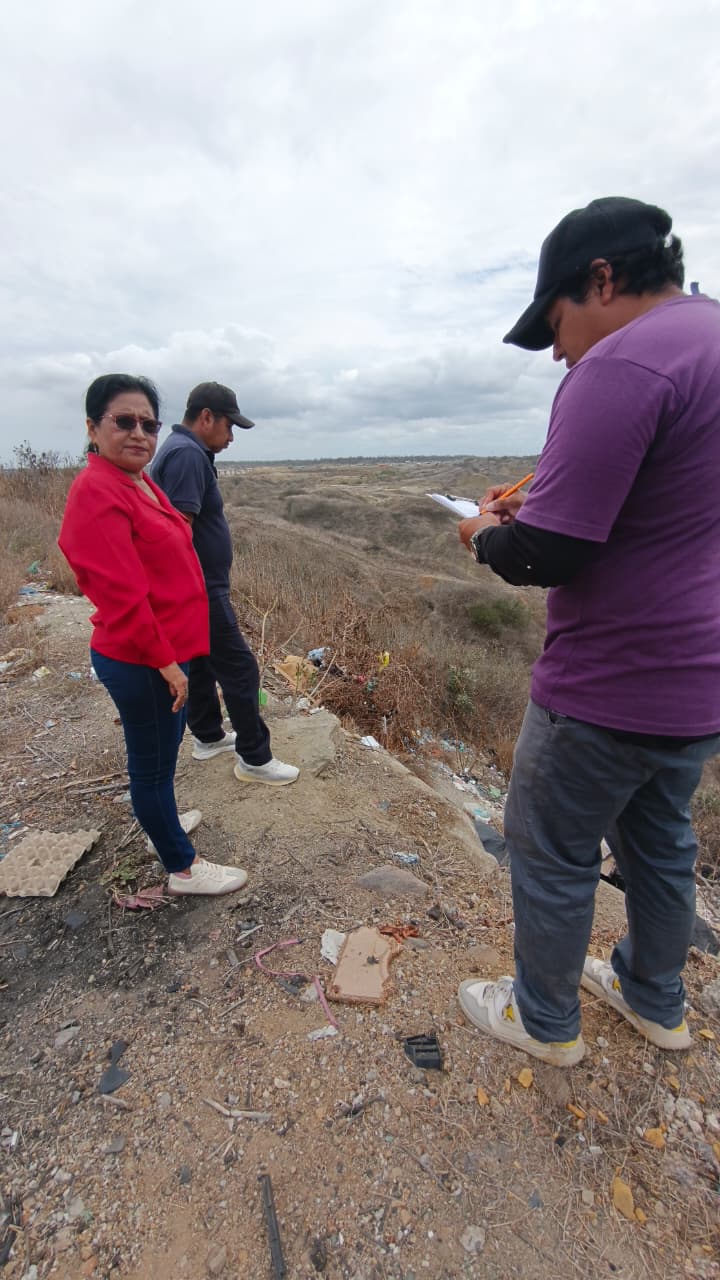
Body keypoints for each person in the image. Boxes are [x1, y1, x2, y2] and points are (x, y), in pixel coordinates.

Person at [456, 197, 720, 1066]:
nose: (557, 350)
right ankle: (655, 1000)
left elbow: (545, 554)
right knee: (661, 843)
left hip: (609, 682)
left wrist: (483, 533)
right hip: (700, 681)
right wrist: (551, 502)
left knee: (552, 848)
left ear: (601, 280)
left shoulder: (623, 363)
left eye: (554, 323)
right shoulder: (708, 341)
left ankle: (544, 1020)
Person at [58, 374, 249, 897]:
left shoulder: (133, 480)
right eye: (124, 421)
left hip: (162, 650)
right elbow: (121, 595)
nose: (139, 433)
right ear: (93, 427)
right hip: (144, 657)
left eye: (148, 423)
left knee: (160, 759)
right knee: (150, 767)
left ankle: (161, 821)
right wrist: (166, 664)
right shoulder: (98, 491)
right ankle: (182, 868)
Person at [150, 382, 299, 786]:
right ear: (206, 417)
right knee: (240, 668)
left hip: (195, 586)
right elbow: (177, 532)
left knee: (201, 660)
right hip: (199, 587)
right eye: (229, 426)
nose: (231, 437)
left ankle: (208, 736)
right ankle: (255, 758)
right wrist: (191, 591)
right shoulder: (187, 455)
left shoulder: (182, 450)